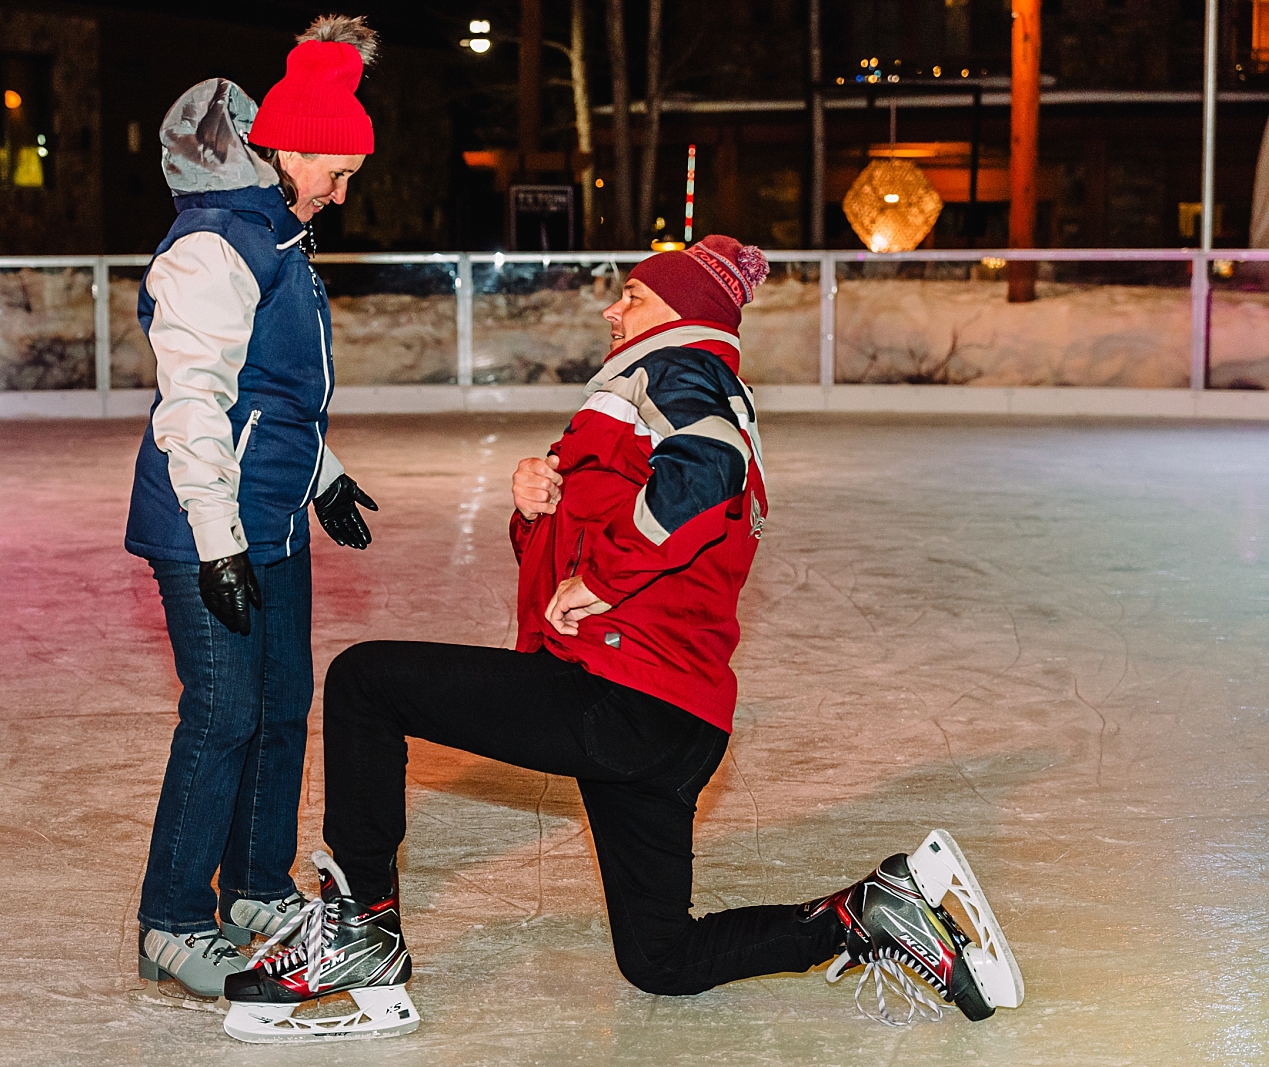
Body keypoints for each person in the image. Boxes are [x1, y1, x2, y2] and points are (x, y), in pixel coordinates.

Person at [218, 237, 1025, 1041]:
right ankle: (869, 911)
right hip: (669, 716)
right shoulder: (636, 398)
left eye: (633, 295)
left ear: (679, 313)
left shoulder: (682, 371)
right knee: (660, 960)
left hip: (623, 693)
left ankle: (361, 932)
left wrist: (603, 579)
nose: (613, 308)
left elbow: (706, 473)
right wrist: (532, 506)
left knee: (366, 680)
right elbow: (582, 559)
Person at [123, 16, 383, 1004]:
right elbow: (194, 409)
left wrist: (322, 474)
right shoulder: (213, 249)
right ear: (288, 149)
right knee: (225, 709)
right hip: (206, 522)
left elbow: (272, 397)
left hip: (267, 513)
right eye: (337, 169)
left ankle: (255, 890)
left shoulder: (279, 236)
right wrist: (219, 545)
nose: (341, 190)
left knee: (282, 704)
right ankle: (172, 919)